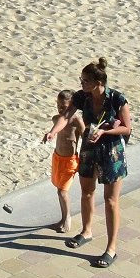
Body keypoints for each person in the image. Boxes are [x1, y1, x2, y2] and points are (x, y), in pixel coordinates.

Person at [68, 57, 131, 268]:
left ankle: (111, 249)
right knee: (86, 191)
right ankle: (86, 231)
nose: (82, 84)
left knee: (110, 200)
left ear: (99, 83)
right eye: (81, 80)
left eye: (85, 81)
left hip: (112, 151)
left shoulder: (116, 99)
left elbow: (127, 128)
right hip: (89, 148)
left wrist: (105, 131)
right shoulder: (82, 97)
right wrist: (53, 131)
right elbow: (66, 115)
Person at [41, 89, 84, 234]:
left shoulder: (77, 120)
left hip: (70, 160)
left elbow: (84, 136)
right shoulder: (56, 119)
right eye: (58, 105)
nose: (60, 109)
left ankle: (67, 219)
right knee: (59, 189)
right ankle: (63, 217)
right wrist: (49, 135)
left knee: (62, 191)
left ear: (72, 106)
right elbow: (54, 130)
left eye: (64, 107)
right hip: (58, 158)